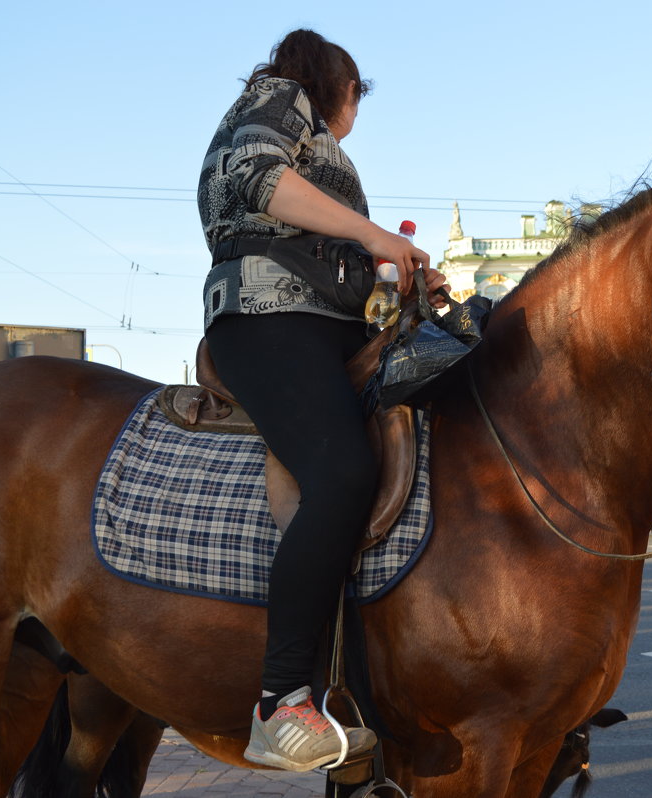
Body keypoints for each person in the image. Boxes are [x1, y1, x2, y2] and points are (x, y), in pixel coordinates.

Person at [198, 29, 448, 772]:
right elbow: (257, 179)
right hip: (266, 320)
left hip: (330, 327)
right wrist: (377, 237)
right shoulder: (280, 97)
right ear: (340, 86)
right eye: (355, 105)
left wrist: (399, 278)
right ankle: (280, 705)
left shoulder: (309, 129)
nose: (351, 122)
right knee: (341, 473)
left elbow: (326, 252)